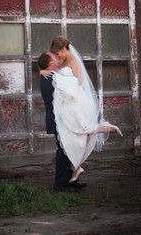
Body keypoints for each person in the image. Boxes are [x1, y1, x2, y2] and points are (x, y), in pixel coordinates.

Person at [42, 35, 123, 184]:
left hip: (76, 100)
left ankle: (105, 129)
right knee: (73, 139)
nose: (57, 56)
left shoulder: (74, 61)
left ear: (64, 49)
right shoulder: (62, 61)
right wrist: (43, 72)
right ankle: (75, 171)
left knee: (81, 131)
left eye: (57, 53)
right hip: (66, 102)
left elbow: (78, 83)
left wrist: (60, 81)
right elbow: (53, 73)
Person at [38, 51, 87, 192]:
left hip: (62, 119)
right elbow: (73, 86)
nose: (57, 58)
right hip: (58, 119)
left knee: (69, 149)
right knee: (63, 150)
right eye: (55, 57)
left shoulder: (52, 75)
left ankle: (70, 180)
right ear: (50, 63)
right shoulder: (51, 78)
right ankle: (60, 184)